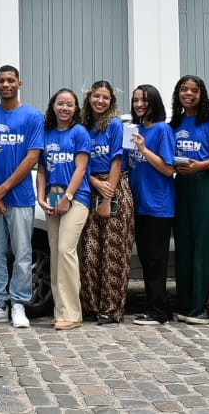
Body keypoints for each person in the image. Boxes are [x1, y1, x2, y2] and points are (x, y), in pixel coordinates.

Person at [0, 65, 43, 329]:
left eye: (10, 80)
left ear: (19, 84)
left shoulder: (32, 116)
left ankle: (19, 304)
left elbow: (32, 157)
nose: (6, 84)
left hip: (21, 197)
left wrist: (3, 189)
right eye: (1, 80)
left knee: (23, 253)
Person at [169, 75, 209, 326]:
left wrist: (199, 165)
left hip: (204, 185)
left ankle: (206, 306)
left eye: (194, 90)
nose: (189, 94)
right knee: (184, 247)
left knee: (205, 247)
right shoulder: (174, 123)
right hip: (180, 187)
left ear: (202, 94)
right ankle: (187, 303)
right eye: (184, 89)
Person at [37, 88, 91, 330]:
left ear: (76, 109)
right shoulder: (46, 133)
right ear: (53, 106)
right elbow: (41, 170)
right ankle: (60, 310)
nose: (65, 108)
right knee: (56, 254)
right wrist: (41, 197)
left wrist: (68, 196)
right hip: (52, 197)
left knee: (66, 250)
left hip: (76, 198)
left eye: (70, 104)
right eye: (60, 104)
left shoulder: (79, 133)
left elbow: (80, 168)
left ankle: (72, 312)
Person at [78, 80, 131, 325]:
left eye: (105, 98)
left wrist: (107, 198)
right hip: (90, 187)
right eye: (96, 96)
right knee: (90, 251)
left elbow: (117, 162)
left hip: (114, 187)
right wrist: (94, 184)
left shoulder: (115, 125)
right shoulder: (83, 127)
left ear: (111, 102)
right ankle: (90, 305)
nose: (100, 101)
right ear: (90, 98)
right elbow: (78, 162)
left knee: (112, 252)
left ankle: (110, 310)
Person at [126, 84, 175, 326]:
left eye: (144, 100)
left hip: (158, 206)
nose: (139, 104)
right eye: (135, 100)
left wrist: (144, 149)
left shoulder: (162, 130)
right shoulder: (135, 130)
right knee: (146, 259)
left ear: (154, 101)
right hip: (139, 205)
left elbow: (168, 168)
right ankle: (156, 307)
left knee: (156, 261)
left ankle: (159, 312)